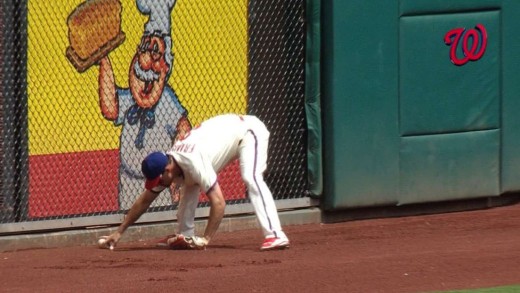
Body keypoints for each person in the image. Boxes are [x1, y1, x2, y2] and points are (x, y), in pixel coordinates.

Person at [101, 113, 290, 251]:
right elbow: (145, 200)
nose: (157, 184)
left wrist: (206, 239)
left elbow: (219, 202)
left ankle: (275, 234)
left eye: (157, 180)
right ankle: (185, 234)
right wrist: (119, 232)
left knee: (251, 177)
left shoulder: (192, 160)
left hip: (249, 131)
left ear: (167, 170)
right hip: (230, 134)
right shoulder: (172, 164)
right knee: (189, 184)